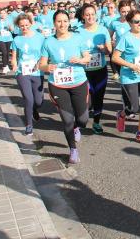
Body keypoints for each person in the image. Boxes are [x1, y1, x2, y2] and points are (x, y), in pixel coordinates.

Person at [39, 10, 91, 164]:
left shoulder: (77, 38)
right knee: (67, 119)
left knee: (83, 119)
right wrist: (47, 67)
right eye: (59, 21)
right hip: (58, 85)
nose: (62, 24)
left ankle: (77, 127)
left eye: (65, 21)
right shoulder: (48, 42)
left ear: (69, 22)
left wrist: (81, 60)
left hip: (79, 82)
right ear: (54, 23)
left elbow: (87, 57)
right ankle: (73, 150)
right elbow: (41, 65)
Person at [112, 9, 140, 144]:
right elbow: (115, 58)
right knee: (133, 108)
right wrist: (132, 66)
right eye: (136, 22)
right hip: (129, 77)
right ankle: (121, 115)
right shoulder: (126, 37)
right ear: (130, 23)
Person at [78, 4, 112, 134]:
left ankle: (96, 122)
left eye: (92, 14)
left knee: (99, 97)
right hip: (83, 71)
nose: (90, 17)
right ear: (83, 16)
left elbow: (109, 51)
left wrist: (104, 49)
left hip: (100, 70)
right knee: (85, 98)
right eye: (87, 14)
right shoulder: (77, 31)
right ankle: (81, 119)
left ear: (96, 15)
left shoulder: (103, 30)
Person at [11, 14, 45, 136]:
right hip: (22, 72)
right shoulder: (16, 39)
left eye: (26, 25)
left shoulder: (40, 37)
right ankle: (29, 125)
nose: (24, 27)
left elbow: (44, 54)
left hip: (37, 72)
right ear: (18, 26)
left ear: (31, 24)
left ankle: (35, 108)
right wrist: (14, 65)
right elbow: (14, 57)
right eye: (21, 26)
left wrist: (39, 63)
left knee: (38, 101)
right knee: (28, 99)